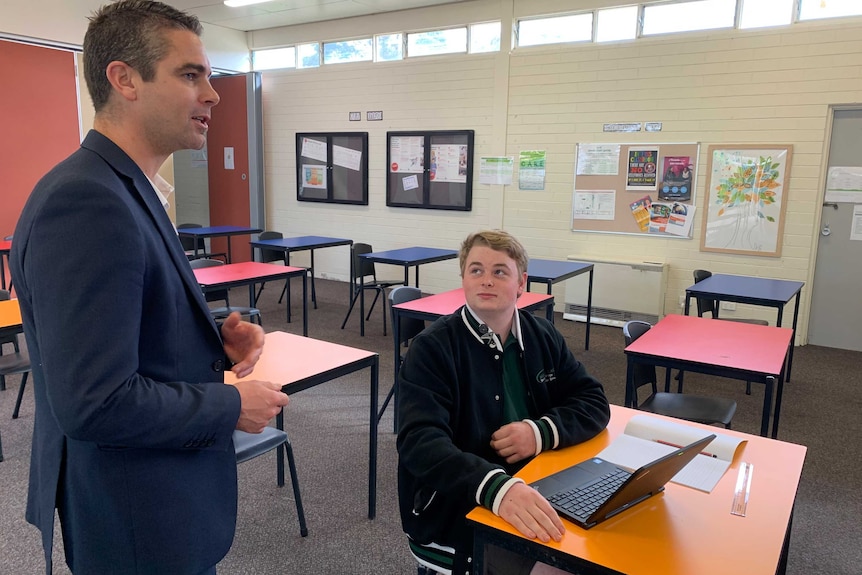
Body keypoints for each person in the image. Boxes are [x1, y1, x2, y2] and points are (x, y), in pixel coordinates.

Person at [9, 2, 289, 573]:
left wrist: (211, 336)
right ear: (124, 79)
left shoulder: (127, 187)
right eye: (191, 75)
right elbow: (96, 401)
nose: (212, 94)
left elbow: (117, 325)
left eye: (208, 76)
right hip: (136, 516)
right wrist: (230, 402)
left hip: (154, 499)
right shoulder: (87, 201)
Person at [396, 230, 611, 575]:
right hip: (457, 505)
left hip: (535, 481)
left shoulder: (542, 334)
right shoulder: (432, 348)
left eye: (500, 271)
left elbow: (593, 400)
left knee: (602, 547)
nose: (486, 280)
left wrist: (539, 432)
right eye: (476, 270)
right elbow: (419, 442)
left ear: (521, 282)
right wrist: (498, 488)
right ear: (463, 278)